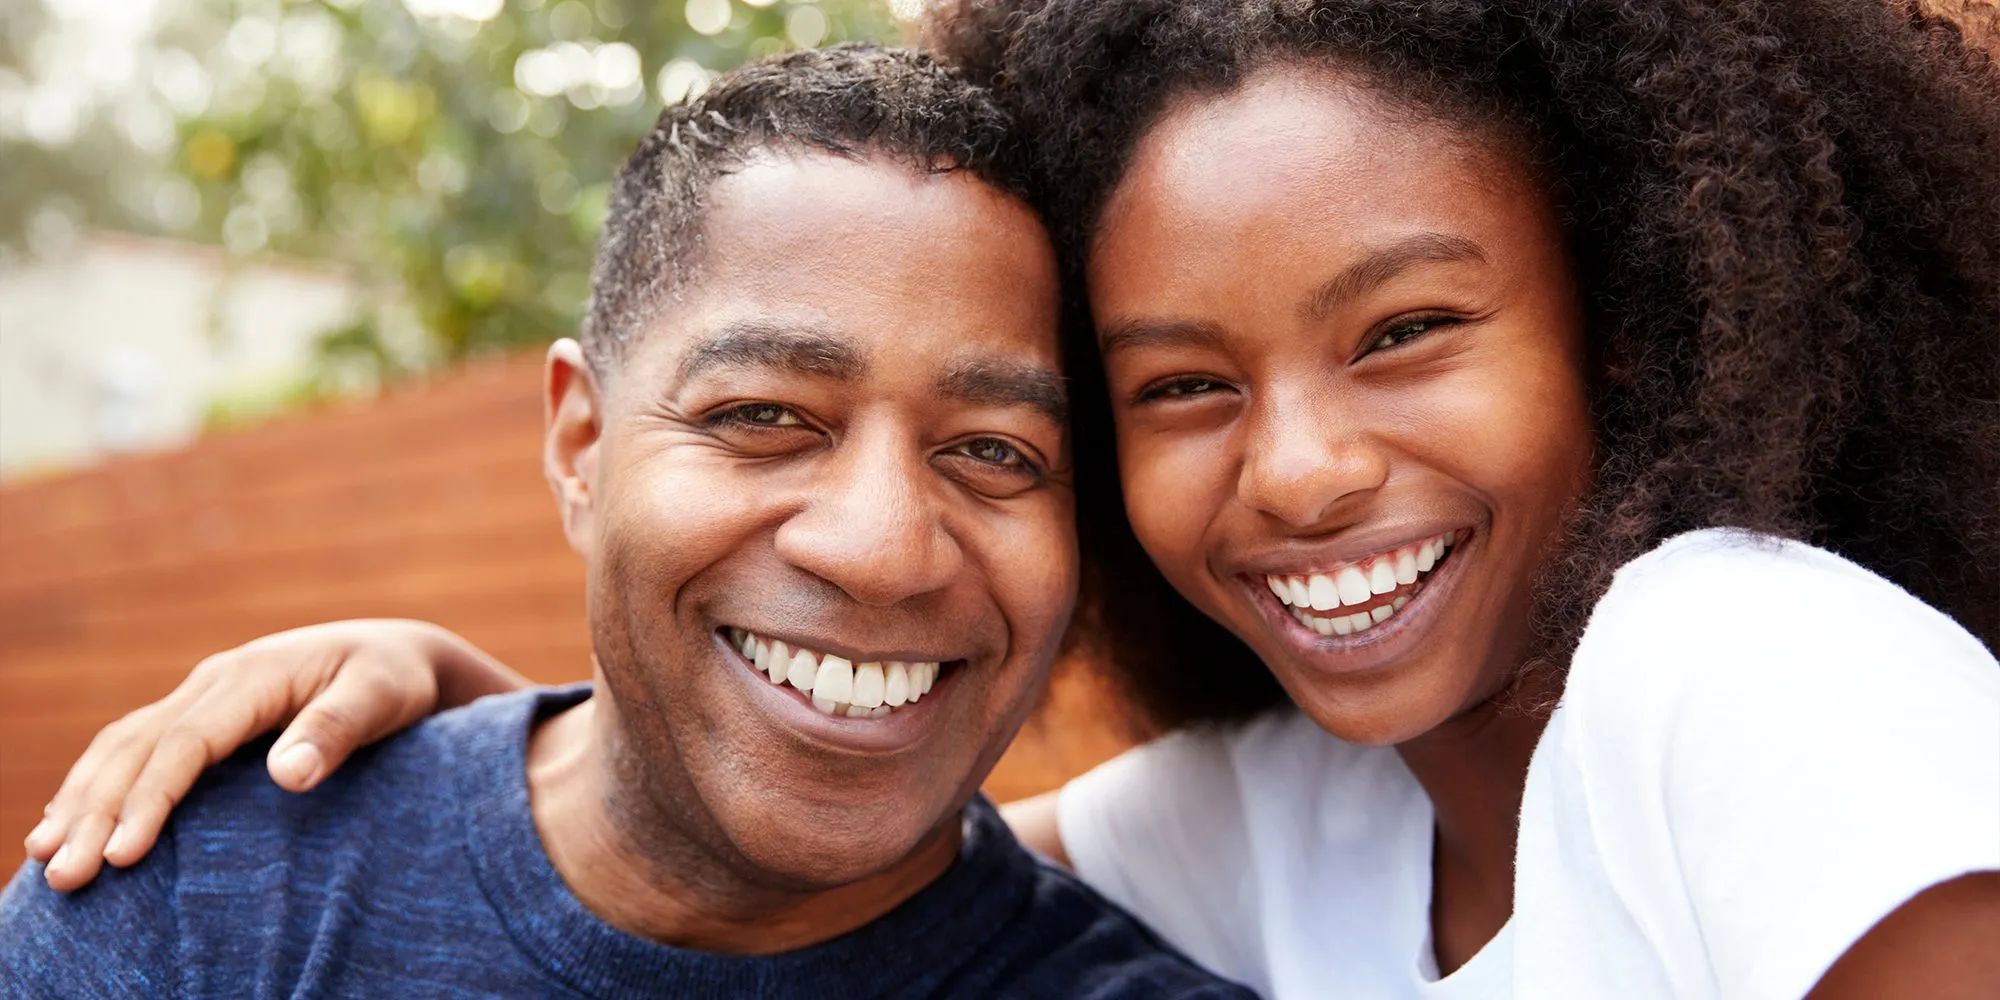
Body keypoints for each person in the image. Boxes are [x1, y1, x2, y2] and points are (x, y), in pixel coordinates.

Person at [26, 0, 2000, 997]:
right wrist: (467, 708)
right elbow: (824, 810)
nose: (1298, 463)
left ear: (1629, 326)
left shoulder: (1731, 664)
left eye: (1400, 329)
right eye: (1178, 386)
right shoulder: (1280, 818)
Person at [0, 44, 1255, 1000]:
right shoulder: (197, 905)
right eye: (765, 414)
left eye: (993, 451)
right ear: (580, 447)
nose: (879, 547)